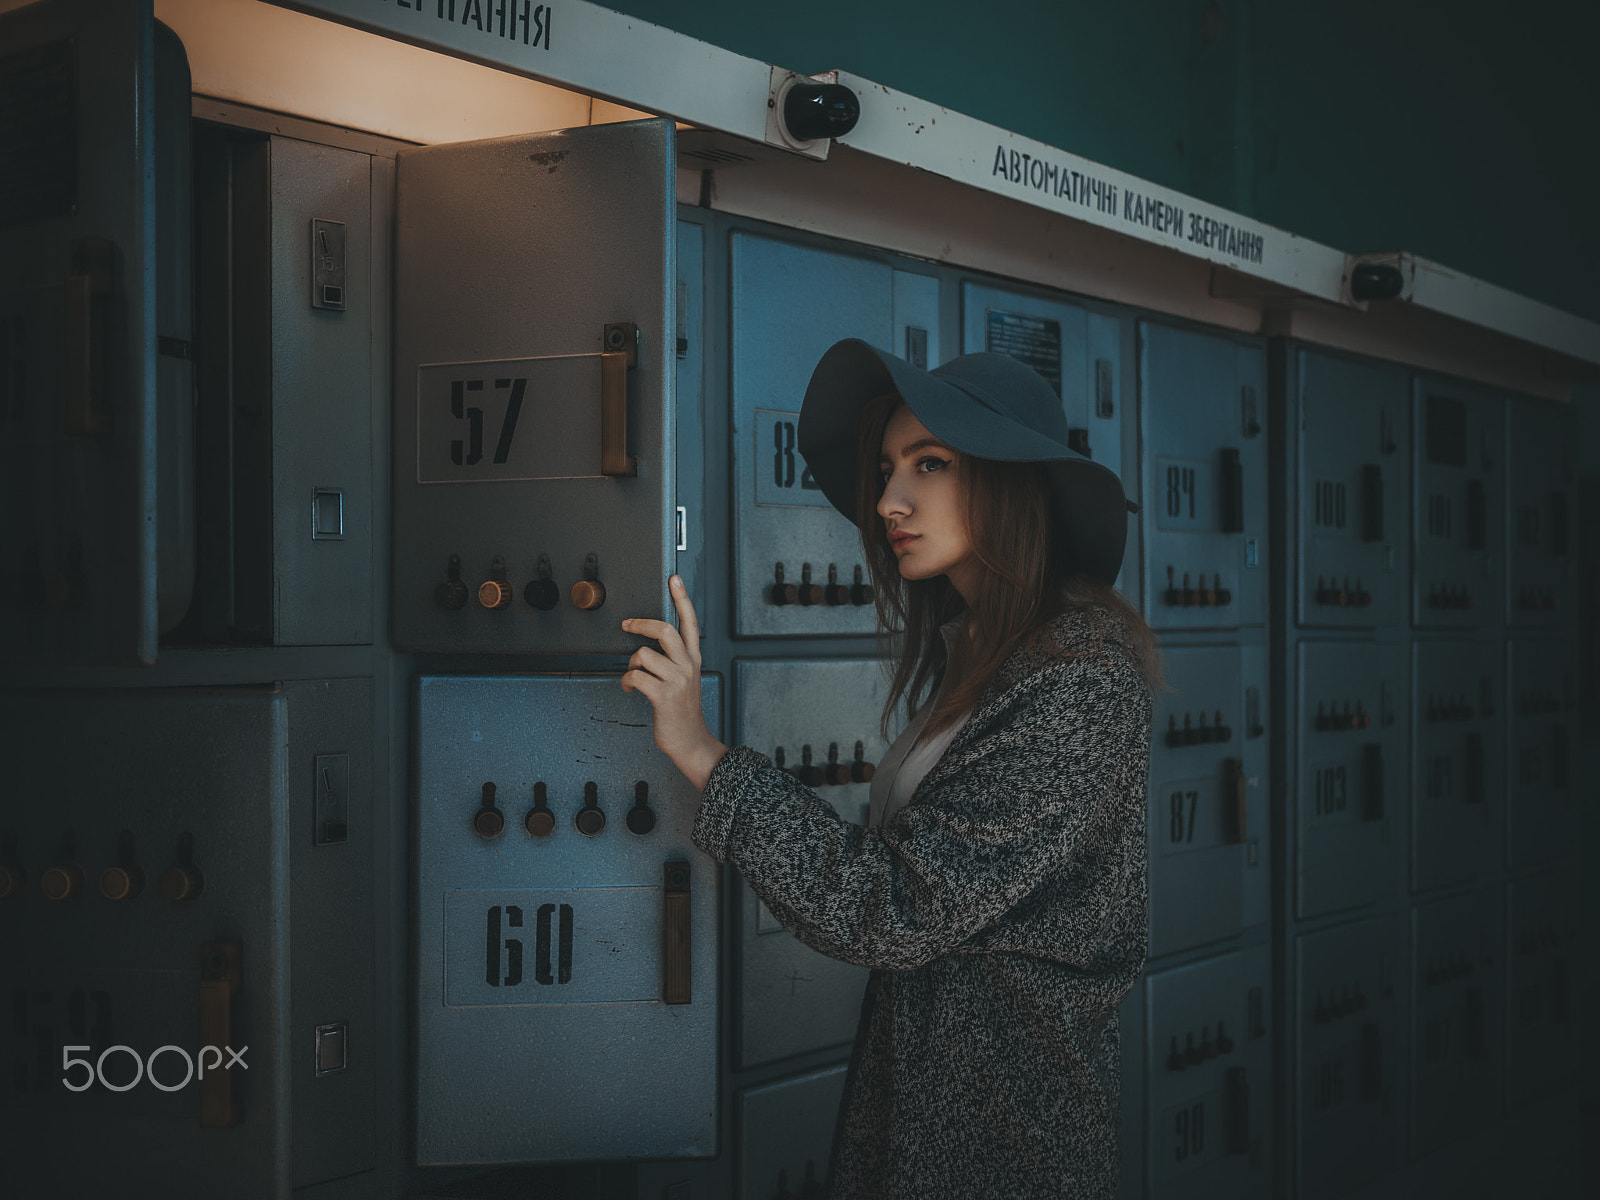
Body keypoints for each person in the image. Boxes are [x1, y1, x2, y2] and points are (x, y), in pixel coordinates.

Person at [619, 338, 1164, 1199]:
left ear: (1012, 482)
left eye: (929, 463)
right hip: (932, 1102)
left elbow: (894, 909)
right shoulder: (994, 651)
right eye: (885, 469)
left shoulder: (1079, 681)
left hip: (1002, 1135)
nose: (887, 501)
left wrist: (702, 751)